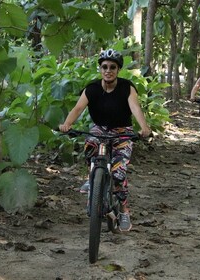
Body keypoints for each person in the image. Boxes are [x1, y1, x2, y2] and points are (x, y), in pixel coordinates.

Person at [59, 48, 151, 232]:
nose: (108, 70)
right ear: (100, 69)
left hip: (122, 131)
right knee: (90, 144)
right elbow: (78, 108)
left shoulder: (127, 87)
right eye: (104, 67)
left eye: (112, 67)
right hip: (100, 129)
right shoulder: (92, 89)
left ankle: (124, 211)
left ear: (118, 70)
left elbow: (135, 108)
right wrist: (67, 124)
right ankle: (92, 175)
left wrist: (144, 128)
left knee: (118, 175)